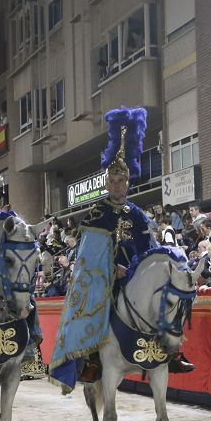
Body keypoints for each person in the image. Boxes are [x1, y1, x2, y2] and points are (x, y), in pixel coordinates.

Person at [49, 106, 194, 391]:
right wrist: (110, 269)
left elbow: (152, 249)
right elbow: (86, 256)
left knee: (165, 302)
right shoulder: (95, 214)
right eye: (112, 181)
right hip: (107, 280)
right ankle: (91, 359)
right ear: (107, 182)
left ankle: (172, 352)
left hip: (135, 276)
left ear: (128, 181)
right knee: (97, 304)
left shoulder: (139, 215)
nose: (117, 186)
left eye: (122, 181)